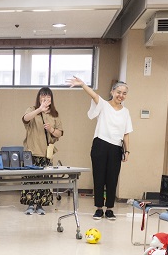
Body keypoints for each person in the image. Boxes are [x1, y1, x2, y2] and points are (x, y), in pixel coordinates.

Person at [67, 76, 132, 221]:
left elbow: (126, 133)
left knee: (112, 178)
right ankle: (98, 209)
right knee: (99, 177)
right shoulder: (103, 104)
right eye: (118, 92)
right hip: (100, 145)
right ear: (112, 91)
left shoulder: (126, 112)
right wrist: (83, 84)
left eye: (124, 93)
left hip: (116, 148)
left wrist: (127, 151)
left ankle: (109, 209)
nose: (121, 95)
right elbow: (93, 95)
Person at [20, 87, 64, 215]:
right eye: (43, 96)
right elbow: (25, 119)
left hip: (46, 152)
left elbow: (59, 133)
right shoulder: (32, 109)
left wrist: (51, 129)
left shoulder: (55, 114)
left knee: (44, 180)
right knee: (30, 179)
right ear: (39, 98)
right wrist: (40, 109)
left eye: (48, 96)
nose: (45, 98)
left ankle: (40, 205)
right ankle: (29, 205)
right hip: (31, 151)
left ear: (51, 98)